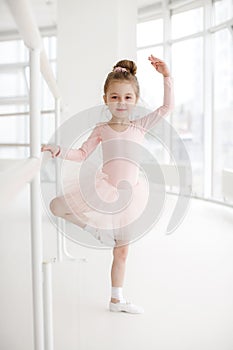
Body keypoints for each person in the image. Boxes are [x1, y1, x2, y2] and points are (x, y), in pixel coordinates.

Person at [41, 55, 174, 314]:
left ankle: (116, 300)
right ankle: (95, 231)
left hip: (131, 197)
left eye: (127, 97)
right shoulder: (102, 129)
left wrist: (166, 76)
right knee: (57, 206)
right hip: (104, 189)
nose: (121, 102)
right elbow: (81, 154)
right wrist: (58, 150)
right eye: (114, 97)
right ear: (106, 99)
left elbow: (167, 108)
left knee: (121, 252)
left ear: (135, 100)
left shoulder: (140, 125)